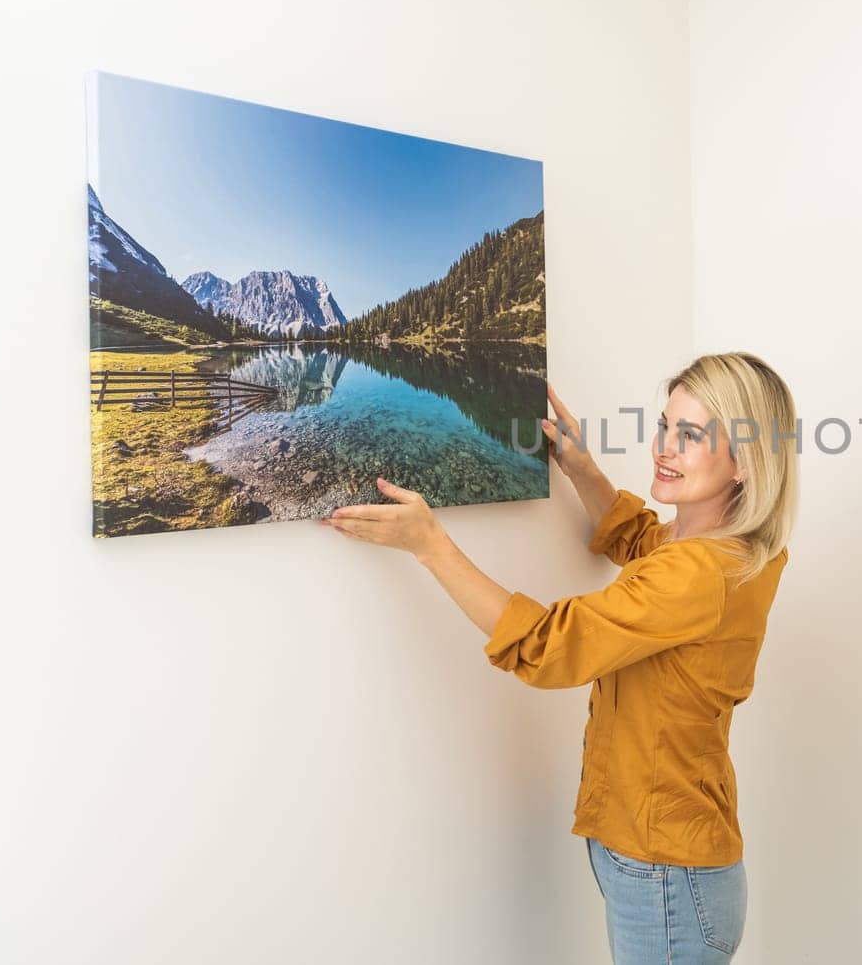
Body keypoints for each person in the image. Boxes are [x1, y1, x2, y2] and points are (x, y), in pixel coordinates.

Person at [321, 352, 798, 963]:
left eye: (691, 435)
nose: (663, 448)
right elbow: (644, 546)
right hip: (669, 863)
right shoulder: (734, 551)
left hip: (668, 877)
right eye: (664, 425)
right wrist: (581, 470)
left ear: (746, 461)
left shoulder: (698, 573)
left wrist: (430, 545)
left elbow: (548, 646)